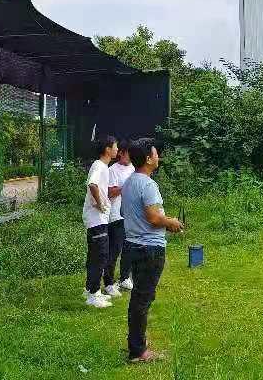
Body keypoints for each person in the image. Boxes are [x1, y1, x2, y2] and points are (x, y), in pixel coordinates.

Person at [122, 137, 184, 363]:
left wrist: (163, 221)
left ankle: (137, 343)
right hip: (149, 249)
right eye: (156, 153)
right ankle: (138, 351)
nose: (159, 157)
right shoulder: (148, 185)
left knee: (139, 297)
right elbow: (154, 218)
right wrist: (171, 222)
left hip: (133, 246)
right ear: (148, 159)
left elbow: (132, 214)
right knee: (142, 299)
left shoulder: (129, 182)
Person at [82, 135, 118, 308]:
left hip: (99, 220)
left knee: (95, 255)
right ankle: (94, 295)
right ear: (107, 149)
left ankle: (90, 289)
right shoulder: (99, 166)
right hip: (96, 220)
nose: (117, 150)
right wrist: (99, 203)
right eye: (115, 147)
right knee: (100, 256)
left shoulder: (103, 166)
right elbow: (92, 185)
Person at [103, 139, 135, 296]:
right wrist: (127, 186)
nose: (131, 156)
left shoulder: (133, 168)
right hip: (116, 216)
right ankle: (108, 283)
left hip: (131, 215)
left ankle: (124, 277)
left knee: (129, 248)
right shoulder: (112, 170)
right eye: (128, 153)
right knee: (114, 250)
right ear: (121, 153)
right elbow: (110, 192)